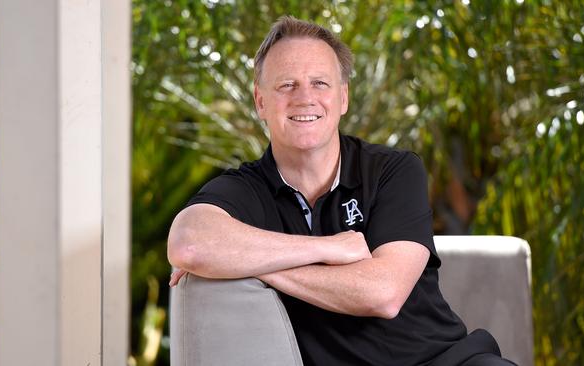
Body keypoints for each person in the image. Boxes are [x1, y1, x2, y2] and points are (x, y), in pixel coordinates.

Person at [167, 16, 515, 366]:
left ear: (343, 97)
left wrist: (254, 264)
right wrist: (331, 247)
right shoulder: (246, 190)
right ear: (260, 102)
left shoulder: (392, 170)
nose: (305, 98)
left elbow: (383, 293)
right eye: (287, 85)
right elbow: (190, 243)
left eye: (320, 83)